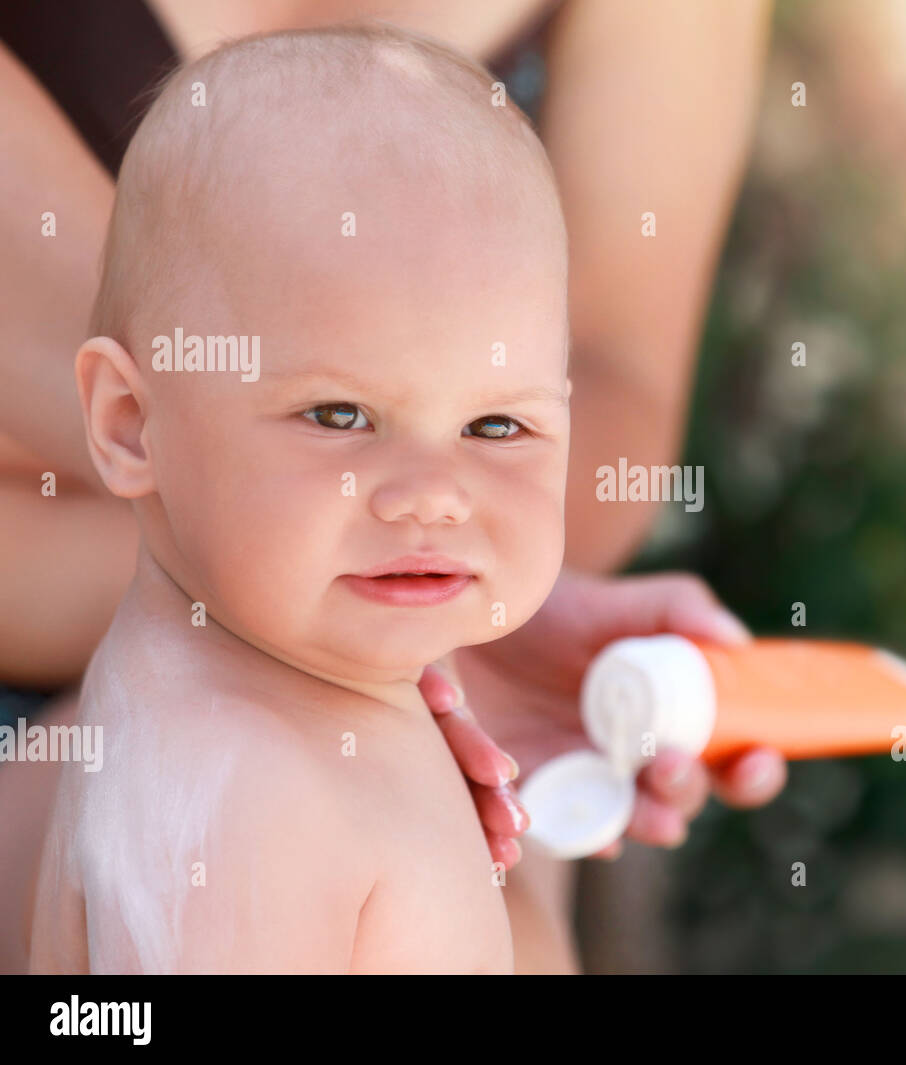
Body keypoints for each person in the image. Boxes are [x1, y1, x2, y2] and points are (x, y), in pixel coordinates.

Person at [0, 0, 781, 974]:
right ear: (125, 421)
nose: (434, 497)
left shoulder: (242, 718)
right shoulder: (242, 803)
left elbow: (621, 375)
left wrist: (437, 630)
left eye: (498, 425)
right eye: (338, 415)